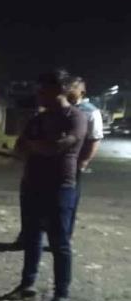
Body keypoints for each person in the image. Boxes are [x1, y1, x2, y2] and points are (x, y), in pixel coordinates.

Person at [8, 70, 87, 301]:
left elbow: (57, 147)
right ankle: (27, 284)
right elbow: (19, 149)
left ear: (58, 90)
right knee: (31, 238)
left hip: (60, 187)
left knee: (59, 243)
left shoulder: (75, 117)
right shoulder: (38, 119)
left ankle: (60, 293)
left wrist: (36, 145)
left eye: (43, 89)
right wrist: (36, 145)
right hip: (31, 184)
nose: (38, 94)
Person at [65, 76, 104, 236]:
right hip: (57, 160)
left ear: (82, 90)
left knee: (69, 200)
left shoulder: (91, 111)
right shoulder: (62, 107)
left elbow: (95, 139)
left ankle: (65, 235)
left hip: (75, 161)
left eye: (72, 87)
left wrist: (84, 161)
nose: (69, 90)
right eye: (67, 87)